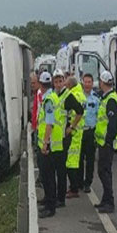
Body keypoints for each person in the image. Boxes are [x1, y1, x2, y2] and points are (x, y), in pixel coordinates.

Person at [53, 70, 83, 206]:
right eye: (56, 81)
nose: (59, 84)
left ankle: (61, 199)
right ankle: (57, 196)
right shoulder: (54, 95)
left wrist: (71, 127)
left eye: (60, 81)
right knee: (56, 168)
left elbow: (80, 111)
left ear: (64, 81)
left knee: (61, 169)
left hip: (64, 138)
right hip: (55, 137)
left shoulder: (68, 96)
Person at [37, 71, 65, 218]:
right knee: (49, 176)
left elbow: (49, 123)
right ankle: (49, 202)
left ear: (41, 85)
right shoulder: (53, 97)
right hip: (54, 143)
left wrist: (45, 143)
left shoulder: (48, 100)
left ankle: (50, 207)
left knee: (48, 177)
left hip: (50, 144)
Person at [94, 71, 117, 213]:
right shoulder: (106, 98)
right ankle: (105, 200)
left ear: (103, 83)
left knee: (104, 172)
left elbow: (112, 124)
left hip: (107, 143)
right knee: (103, 171)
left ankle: (109, 202)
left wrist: (108, 141)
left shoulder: (110, 100)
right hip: (103, 142)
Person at [63, 76, 86, 198]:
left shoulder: (73, 95)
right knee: (76, 161)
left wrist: (70, 127)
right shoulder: (80, 94)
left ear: (70, 85)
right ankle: (77, 185)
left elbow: (77, 113)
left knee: (71, 162)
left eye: (66, 84)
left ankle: (74, 188)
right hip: (79, 131)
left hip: (74, 132)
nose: (65, 86)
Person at [80, 74, 100, 193]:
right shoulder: (78, 97)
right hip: (80, 131)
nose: (87, 84)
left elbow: (99, 116)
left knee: (90, 159)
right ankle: (79, 181)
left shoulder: (96, 98)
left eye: (89, 82)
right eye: (85, 82)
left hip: (91, 132)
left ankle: (88, 182)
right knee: (79, 159)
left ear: (92, 84)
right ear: (82, 83)